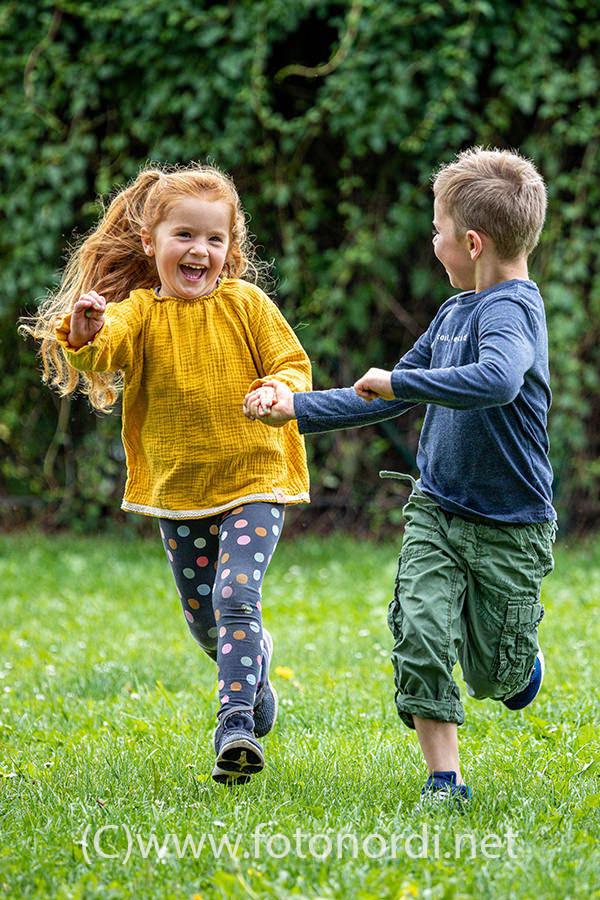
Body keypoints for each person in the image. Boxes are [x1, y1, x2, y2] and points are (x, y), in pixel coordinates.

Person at [244, 147, 556, 801]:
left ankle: (516, 664)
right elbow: (381, 393)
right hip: (437, 510)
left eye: (438, 231)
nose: (432, 241)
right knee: (418, 630)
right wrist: (294, 409)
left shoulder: (512, 313)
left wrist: (403, 378)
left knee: (497, 678)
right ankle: (445, 780)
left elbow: (498, 380)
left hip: (510, 525)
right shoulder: (451, 315)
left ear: (471, 243)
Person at [22, 163, 312, 785]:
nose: (199, 250)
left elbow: (292, 362)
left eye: (214, 239)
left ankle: (234, 723)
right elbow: (103, 347)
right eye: (184, 236)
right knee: (207, 621)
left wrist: (277, 388)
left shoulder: (247, 304)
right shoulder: (139, 313)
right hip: (177, 489)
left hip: (255, 476)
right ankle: (254, 667)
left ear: (231, 248)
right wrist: (85, 328)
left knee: (236, 595)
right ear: (151, 242)